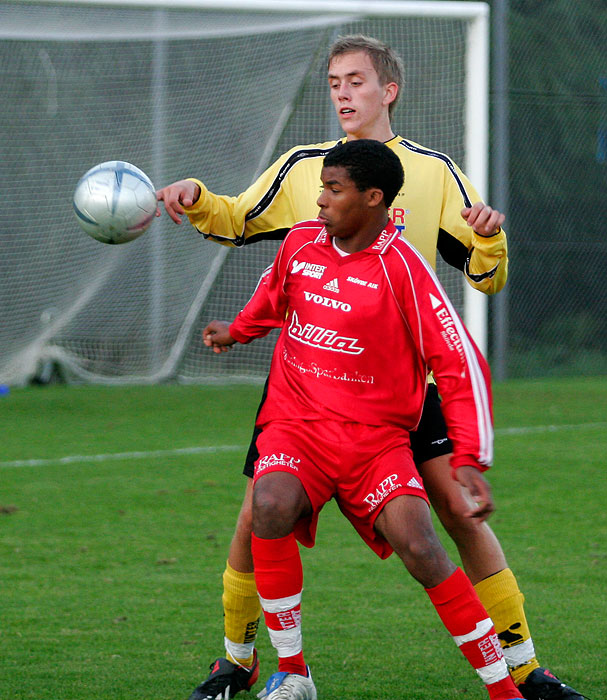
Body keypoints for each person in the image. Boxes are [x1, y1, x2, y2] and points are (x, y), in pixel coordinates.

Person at [157, 35, 583, 700]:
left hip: (411, 391)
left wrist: (490, 237)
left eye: (354, 81)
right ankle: (239, 661)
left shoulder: (435, 172)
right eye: (332, 82)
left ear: (388, 90)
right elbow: (238, 220)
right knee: (257, 513)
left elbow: (483, 275)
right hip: (312, 393)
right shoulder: (304, 167)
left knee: (457, 517)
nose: (342, 94)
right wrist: (197, 196)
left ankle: (524, 669)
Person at [202, 138, 526, 700]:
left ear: (374, 198)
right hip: (297, 426)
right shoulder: (302, 242)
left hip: (377, 443)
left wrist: (469, 456)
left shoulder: (404, 270)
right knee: (268, 505)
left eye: (333, 189)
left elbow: (460, 363)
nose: (321, 200)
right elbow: (275, 296)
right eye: (322, 187)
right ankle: (292, 672)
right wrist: (238, 330)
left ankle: (505, 688)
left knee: (423, 546)